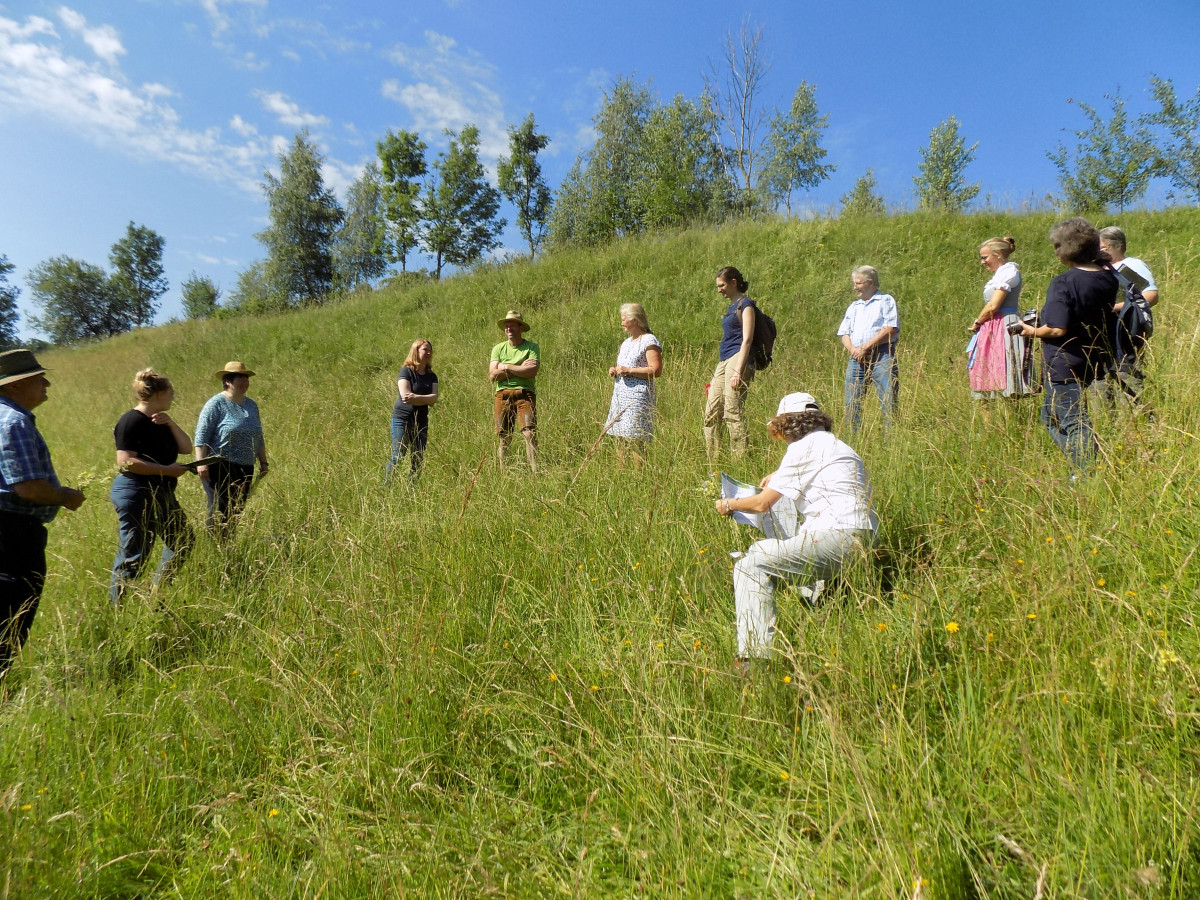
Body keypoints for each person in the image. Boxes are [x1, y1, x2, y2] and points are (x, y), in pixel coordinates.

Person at [714, 392, 877, 664]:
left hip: (838, 538)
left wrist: (730, 504)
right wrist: (779, 475)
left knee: (749, 566)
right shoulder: (838, 446)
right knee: (759, 550)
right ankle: (817, 607)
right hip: (863, 536)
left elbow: (763, 503)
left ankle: (754, 660)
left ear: (788, 425)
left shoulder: (802, 448)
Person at [0, 350, 85, 679]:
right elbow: (28, 487)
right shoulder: (15, 421)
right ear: (17, 385)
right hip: (12, 534)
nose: (47, 382)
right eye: (39, 377)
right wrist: (66, 496)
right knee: (11, 616)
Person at [1014, 218, 1117, 472]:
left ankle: (1084, 473)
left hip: (1065, 359)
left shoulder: (1065, 281)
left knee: (1073, 419)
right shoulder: (1109, 276)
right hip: (1094, 355)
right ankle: (1084, 461)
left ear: (1063, 251)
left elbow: (1057, 328)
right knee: (1049, 416)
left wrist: (1030, 330)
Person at [109, 369, 196, 604]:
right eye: (171, 393)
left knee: (183, 540)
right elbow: (126, 462)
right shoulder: (131, 420)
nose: (173, 397)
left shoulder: (160, 420)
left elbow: (187, 448)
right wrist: (168, 470)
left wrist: (171, 423)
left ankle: (158, 591)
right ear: (158, 394)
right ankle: (117, 610)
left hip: (161, 493)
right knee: (135, 556)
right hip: (136, 493)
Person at [195, 361, 269, 539]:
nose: (245, 383)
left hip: (246, 466)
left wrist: (263, 461)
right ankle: (216, 547)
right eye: (240, 379)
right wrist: (200, 463)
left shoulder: (251, 405)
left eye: (246, 379)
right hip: (219, 465)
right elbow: (201, 434)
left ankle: (227, 546)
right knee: (219, 510)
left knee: (236, 510)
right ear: (228, 381)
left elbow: (258, 435)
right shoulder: (216, 404)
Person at [1096, 226, 1159, 405]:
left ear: (1118, 246)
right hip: (1101, 333)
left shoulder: (1132, 265)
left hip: (1125, 332)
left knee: (1128, 376)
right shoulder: (1098, 268)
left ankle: (1138, 421)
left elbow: (1151, 295)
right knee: (1102, 383)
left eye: (1103, 247)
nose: (1100, 251)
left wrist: (1116, 307)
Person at [967, 236, 1036, 400]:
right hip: (992, 325)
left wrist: (978, 322)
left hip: (1006, 325)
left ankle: (1011, 422)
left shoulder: (1009, 272)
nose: (982, 262)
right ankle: (989, 424)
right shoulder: (998, 275)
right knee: (985, 381)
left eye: (985, 257)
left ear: (998, 254)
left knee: (1008, 377)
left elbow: (993, 305)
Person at [838, 266, 900, 431]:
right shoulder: (854, 306)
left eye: (858, 283)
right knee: (852, 402)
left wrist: (865, 347)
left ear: (870, 282)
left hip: (882, 355)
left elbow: (890, 328)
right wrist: (854, 350)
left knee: (888, 399)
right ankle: (854, 439)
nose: (854, 287)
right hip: (856, 357)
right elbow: (844, 333)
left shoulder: (885, 301)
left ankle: (891, 441)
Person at [704, 266, 757, 459]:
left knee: (732, 411)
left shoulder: (746, 304)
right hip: (724, 359)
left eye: (722, 285)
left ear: (734, 282)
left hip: (738, 358)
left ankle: (739, 460)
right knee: (710, 413)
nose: (719, 290)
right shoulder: (730, 308)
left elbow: (747, 340)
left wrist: (738, 372)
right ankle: (713, 463)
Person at [604, 303, 663, 465]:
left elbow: (656, 370)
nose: (622, 322)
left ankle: (639, 476)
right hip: (620, 396)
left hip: (638, 397)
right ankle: (621, 474)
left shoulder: (649, 340)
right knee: (620, 436)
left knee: (636, 438)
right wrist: (615, 370)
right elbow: (624, 367)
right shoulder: (626, 343)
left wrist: (629, 370)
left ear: (634, 320)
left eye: (624, 319)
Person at [490, 311, 540, 472]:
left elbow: (532, 371)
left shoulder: (531, 347)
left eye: (512, 325)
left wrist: (506, 366)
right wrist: (520, 367)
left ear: (520, 327)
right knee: (504, 437)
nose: (508, 328)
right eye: (506, 326)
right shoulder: (498, 348)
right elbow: (493, 375)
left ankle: (535, 472)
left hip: (525, 393)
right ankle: (504, 472)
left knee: (529, 433)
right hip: (502, 395)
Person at [386, 338, 439, 482]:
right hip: (402, 419)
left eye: (430, 350)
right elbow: (405, 397)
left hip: (421, 422)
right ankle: (386, 488)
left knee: (418, 458)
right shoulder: (406, 371)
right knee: (398, 455)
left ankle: (411, 491)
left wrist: (416, 396)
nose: (428, 353)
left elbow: (434, 399)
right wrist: (426, 398)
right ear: (415, 351)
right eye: (424, 350)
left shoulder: (431, 376)